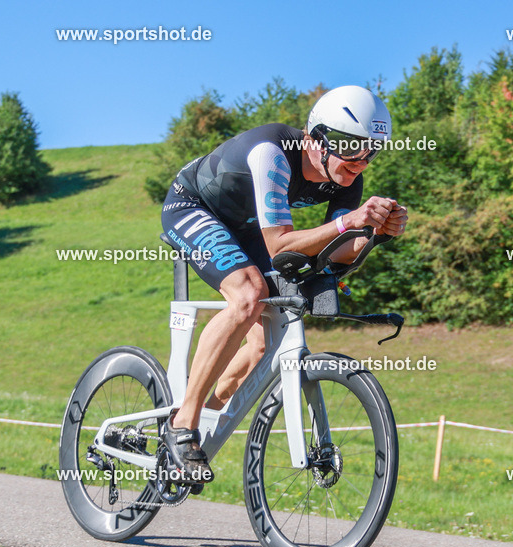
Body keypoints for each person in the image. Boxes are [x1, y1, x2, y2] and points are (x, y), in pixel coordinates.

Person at [159, 85, 407, 483]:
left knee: (264, 342)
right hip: (194, 206)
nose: (360, 161)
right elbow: (279, 245)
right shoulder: (272, 153)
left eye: (371, 150)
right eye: (350, 147)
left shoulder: (348, 177)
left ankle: (202, 419)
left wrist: (377, 233)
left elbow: (339, 249)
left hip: (249, 225)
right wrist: (349, 221)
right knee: (248, 296)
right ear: (316, 139)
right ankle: (182, 423)